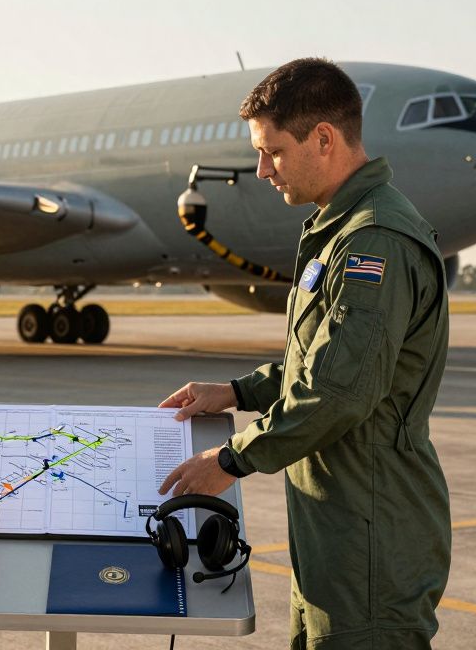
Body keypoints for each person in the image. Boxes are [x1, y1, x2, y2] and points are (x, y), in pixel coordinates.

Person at [157, 58, 451, 649]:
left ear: (324, 138)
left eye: (273, 152)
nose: (262, 169)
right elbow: (320, 359)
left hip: (369, 534)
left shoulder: (373, 242)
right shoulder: (340, 229)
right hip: (337, 526)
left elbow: (337, 392)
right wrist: (238, 392)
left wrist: (230, 460)